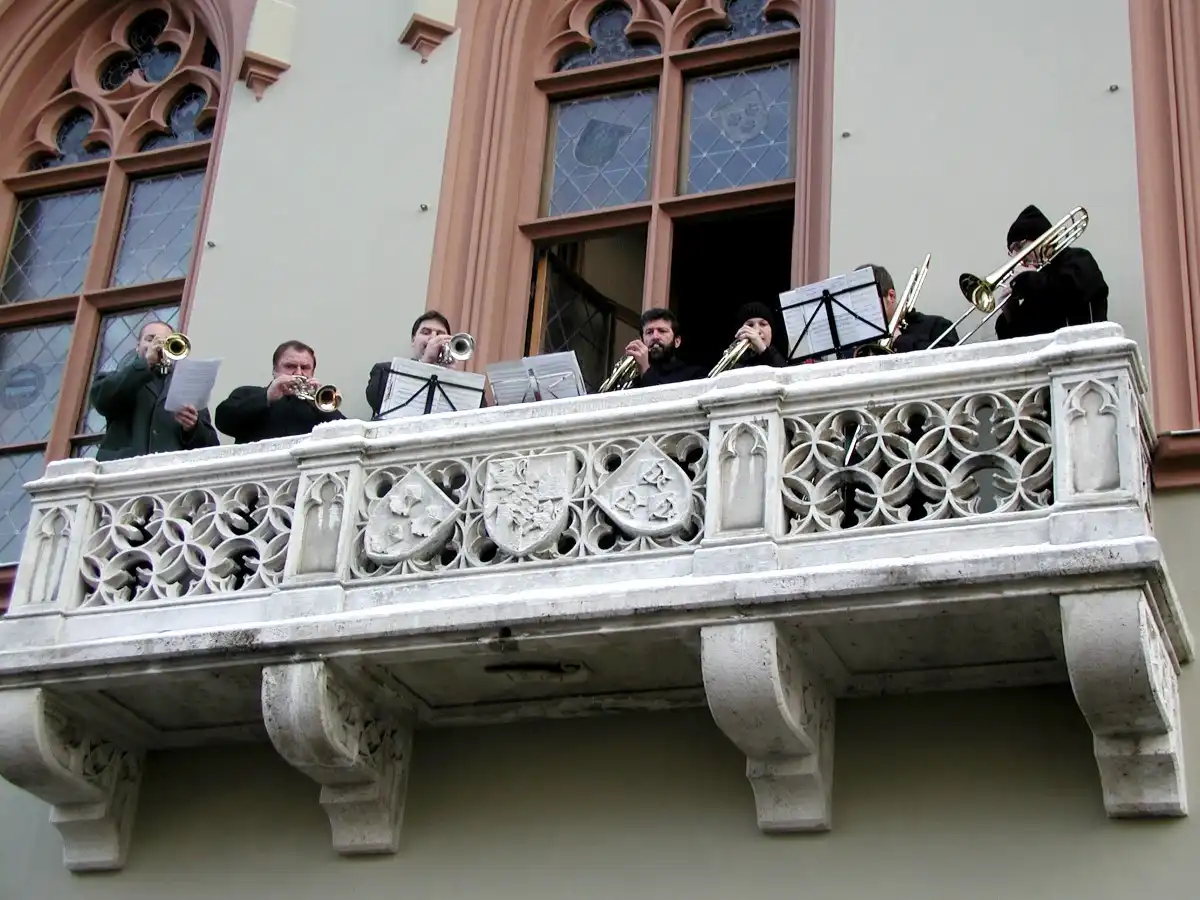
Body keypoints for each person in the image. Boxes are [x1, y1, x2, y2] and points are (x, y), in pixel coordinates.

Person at [89, 320, 219, 461]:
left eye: (165, 341)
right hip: (124, 471)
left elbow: (211, 447)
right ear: (138, 346)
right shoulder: (120, 376)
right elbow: (102, 400)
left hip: (171, 474)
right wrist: (145, 364)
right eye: (150, 339)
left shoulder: (187, 385)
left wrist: (193, 428)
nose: (157, 345)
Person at [994, 204, 1108, 340]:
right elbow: (1017, 347)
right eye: (1011, 251)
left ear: (1042, 240)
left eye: (1018, 246)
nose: (1015, 256)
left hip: (1089, 351)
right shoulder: (1032, 288)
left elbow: (1071, 291)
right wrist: (1010, 314)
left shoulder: (1078, 258)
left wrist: (1027, 279)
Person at [215, 339, 344, 443]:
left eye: (305, 368)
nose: (299, 373)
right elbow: (223, 421)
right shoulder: (247, 393)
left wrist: (319, 408)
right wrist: (266, 398)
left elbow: (348, 433)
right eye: (290, 366)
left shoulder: (318, 405)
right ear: (274, 370)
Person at [364, 311, 458, 417]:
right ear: (413, 340)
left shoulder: (464, 385)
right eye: (426, 332)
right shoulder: (385, 371)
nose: (433, 338)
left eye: (440, 335)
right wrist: (425, 363)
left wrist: (451, 377)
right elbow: (376, 400)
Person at [856, 263, 959, 352]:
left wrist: (900, 341)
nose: (863, 311)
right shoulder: (855, 343)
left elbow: (953, 361)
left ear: (891, 296)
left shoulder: (938, 327)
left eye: (869, 302)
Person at [626, 308, 705, 388]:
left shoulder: (695, 375)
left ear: (677, 341)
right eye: (649, 332)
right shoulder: (632, 379)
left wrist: (646, 370)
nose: (655, 337)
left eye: (662, 331)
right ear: (641, 341)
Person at [727, 301, 788, 369]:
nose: (756, 331)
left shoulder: (777, 356)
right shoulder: (735, 361)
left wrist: (763, 350)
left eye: (763, 324)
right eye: (750, 325)